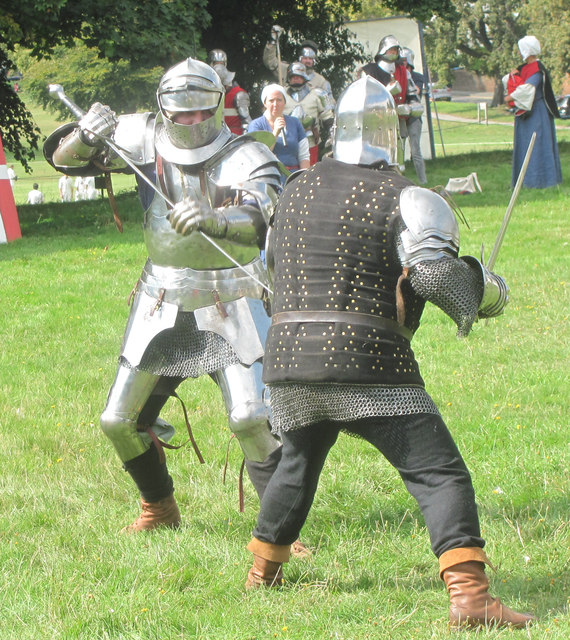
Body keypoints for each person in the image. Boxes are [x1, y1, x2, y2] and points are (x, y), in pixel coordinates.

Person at [243, 75, 535, 631]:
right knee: (438, 472)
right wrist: (485, 290)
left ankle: (261, 574)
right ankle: (472, 600)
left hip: (287, 360)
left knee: (298, 463)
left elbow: (269, 274)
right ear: (391, 130)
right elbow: (434, 277)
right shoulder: (408, 196)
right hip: (367, 360)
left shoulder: (295, 189)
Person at [43, 57, 285, 533]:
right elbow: (64, 161)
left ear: (217, 107)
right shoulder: (142, 135)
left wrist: (217, 219)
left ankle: (280, 526)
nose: (192, 123)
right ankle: (158, 508)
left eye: (201, 113)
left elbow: (261, 215)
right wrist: (88, 134)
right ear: (165, 110)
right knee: (117, 420)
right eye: (182, 114)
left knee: (252, 418)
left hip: (232, 296)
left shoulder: (247, 154)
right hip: (160, 297)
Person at [505, 36, 562, 189]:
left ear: (526, 50)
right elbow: (514, 82)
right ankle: (523, 181)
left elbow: (528, 89)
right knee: (524, 146)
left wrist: (509, 98)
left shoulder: (537, 69)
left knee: (536, 146)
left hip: (537, 114)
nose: (518, 52)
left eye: (520, 49)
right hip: (525, 114)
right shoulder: (524, 68)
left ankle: (539, 181)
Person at [358, 35, 414, 167]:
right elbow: (363, 99)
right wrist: (387, 92)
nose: (393, 52)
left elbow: (413, 98)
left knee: (399, 159)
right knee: (376, 154)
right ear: (383, 50)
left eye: (395, 49)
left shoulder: (403, 71)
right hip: (375, 120)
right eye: (391, 49)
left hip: (398, 120)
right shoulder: (369, 71)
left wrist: (408, 108)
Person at [248, 84, 310, 178]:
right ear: (265, 103)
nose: (275, 104)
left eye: (279, 100)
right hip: (268, 178)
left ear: (284, 102)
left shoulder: (294, 122)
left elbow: (304, 156)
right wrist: (275, 133)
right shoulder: (256, 125)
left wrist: (305, 178)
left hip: (293, 177)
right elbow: (259, 156)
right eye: (271, 100)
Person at [263, 26, 334, 104]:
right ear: (300, 58)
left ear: (314, 61)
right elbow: (270, 62)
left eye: (310, 59)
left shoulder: (321, 81)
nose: (307, 61)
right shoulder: (287, 70)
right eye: (305, 58)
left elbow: (329, 103)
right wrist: (273, 41)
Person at [283, 62, 334, 165]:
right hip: (286, 141)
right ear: (288, 78)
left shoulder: (318, 94)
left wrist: (332, 135)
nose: (295, 79)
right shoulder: (281, 94)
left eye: (299, 76)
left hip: (310, 141)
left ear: (304, 77)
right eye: (293, 76)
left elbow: (328, 118)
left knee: (309, 174)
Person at [208, 49, 252, 135]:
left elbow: (247, 123)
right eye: (216, 63)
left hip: (234, 137)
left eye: (221, 63)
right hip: (214, 138)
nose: (219, 66)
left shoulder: (239, 95)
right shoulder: (205, 94)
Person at [400, 47, 427, 185]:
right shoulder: (398, 75)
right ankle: (401, 180)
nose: (403, 63)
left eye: (405, 61)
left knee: (415, 150)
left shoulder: (417, 77)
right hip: (402, 117)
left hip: (414, 118)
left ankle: (423, 180)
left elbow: (416, 91)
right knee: (400, 150)